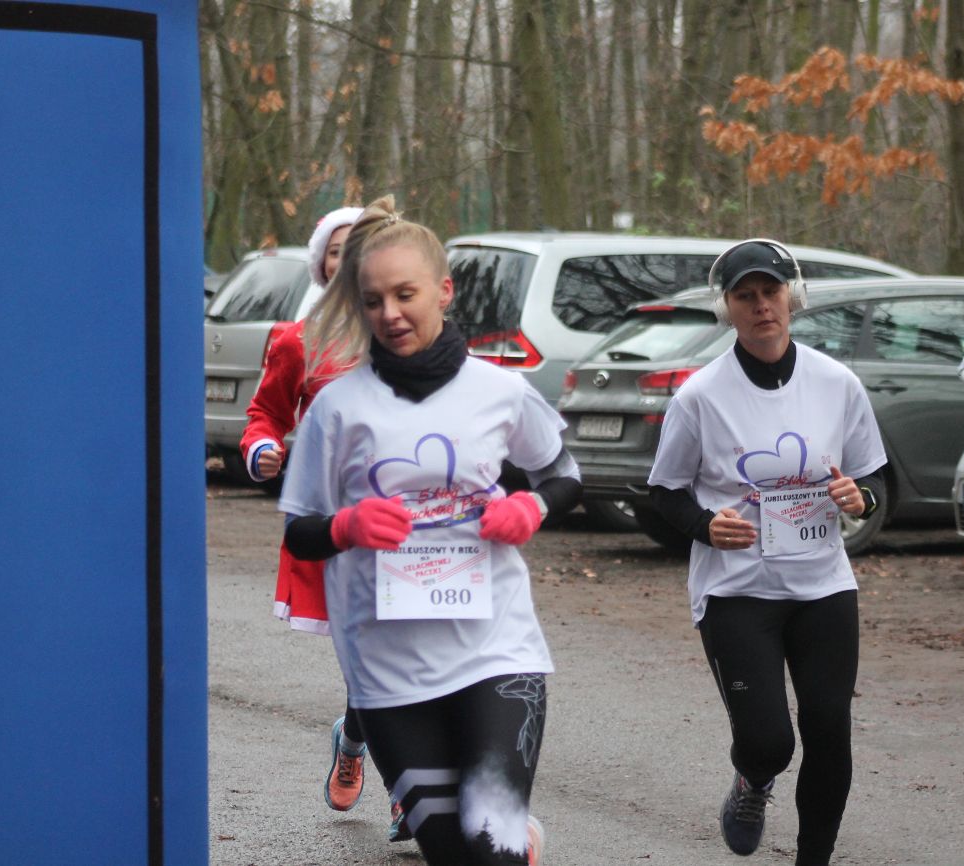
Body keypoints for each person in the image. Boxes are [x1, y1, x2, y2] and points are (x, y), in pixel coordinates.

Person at [278, 195, 580, 865]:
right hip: (388, 669)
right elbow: (300, 532)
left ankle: (510, 837)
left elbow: (563, 474)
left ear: (443, 292)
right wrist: (346, 526)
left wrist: (531, 509)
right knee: (452, 854)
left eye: (405, 294)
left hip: (495, 650)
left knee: (491, 850)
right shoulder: (337, 409)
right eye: (373, 300)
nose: (390, 313)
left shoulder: (499, 391)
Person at [646, 239, 887, 865]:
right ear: (726, 307)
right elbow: (665, 491)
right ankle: (753, 780)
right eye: (745, 296)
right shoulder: (700, 396)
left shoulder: (836, 383)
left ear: (793, 296)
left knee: (829, 729)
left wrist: (860, 498)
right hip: (737, 590)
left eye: (771, 292)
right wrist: (705, 525)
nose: (761, 306)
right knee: (769, 743)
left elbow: (872, 479)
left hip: (823, 585)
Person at [238, 206, 412, 839]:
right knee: (372, 660)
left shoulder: (414, 335)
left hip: (413, 523)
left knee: (401, 658)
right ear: (324, 264)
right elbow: (264, 413)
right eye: (339, 249)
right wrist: (264, 448)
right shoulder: (299, 341)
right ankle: (397, 783)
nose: (352, 258)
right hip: (337, 527)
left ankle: (369, 754)